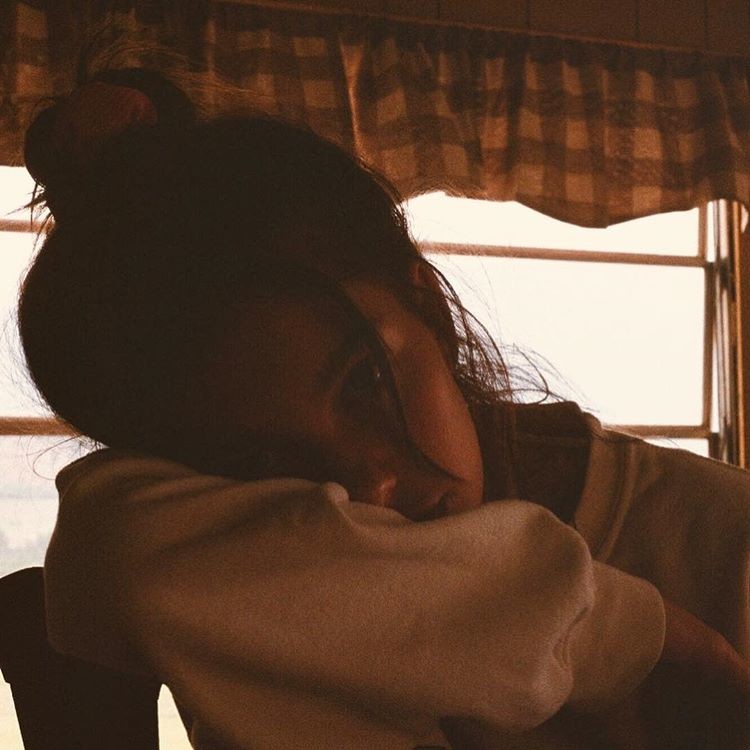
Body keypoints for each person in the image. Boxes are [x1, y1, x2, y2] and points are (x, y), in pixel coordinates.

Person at [18, 67, 749, 749]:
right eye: (260, 461)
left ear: (429, 307)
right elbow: (110, 551)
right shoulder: (246, 595)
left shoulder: (721, 546)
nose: (370, 487)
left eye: (365, 383)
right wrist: (626, 628)